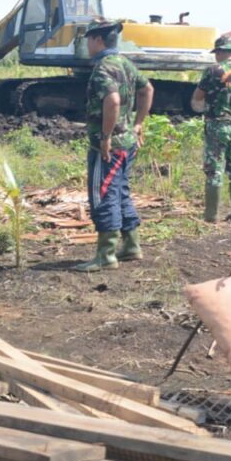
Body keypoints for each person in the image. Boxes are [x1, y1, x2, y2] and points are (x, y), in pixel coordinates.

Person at [74, 19, 154, 272]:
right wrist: (138, 124)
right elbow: (147, 89)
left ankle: (106, 255)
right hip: (127, 142)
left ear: (98, 40)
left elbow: (113, 101)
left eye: (88, 39)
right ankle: (131, 246)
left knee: (104, 194)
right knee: (120, 192)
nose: (87, 45)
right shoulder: (125, 64)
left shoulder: (103, 68)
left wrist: (106, 136)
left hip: (109, 147)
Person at [191, 37, 231, 222]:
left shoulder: (213, 70)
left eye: (216, 53)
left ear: (220, 52)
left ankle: (211, 214)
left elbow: (198, 97)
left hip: (217, 124)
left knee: (214, 169)